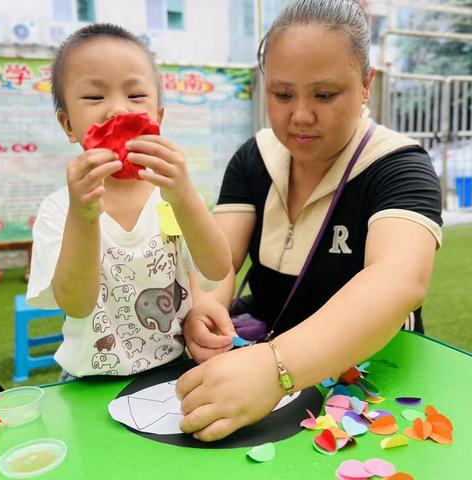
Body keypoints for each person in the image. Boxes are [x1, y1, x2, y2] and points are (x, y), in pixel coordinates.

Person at [176, 0, 442, 441]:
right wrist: (207, 309)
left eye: (324, 94)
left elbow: (398, 279)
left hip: (370, 386)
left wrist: (275, 367)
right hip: (253, 369)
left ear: (365, 85)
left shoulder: (399, 166)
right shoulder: (254, 157)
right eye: (282, 94)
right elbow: (218, 263)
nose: (300, 115)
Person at [26, 23, 231, 378]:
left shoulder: (171, 196)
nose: (117, 110)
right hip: (88, 378)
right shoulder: (60, 210)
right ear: (68, 124)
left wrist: (184, 196)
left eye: (136, 96)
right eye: (94, 97)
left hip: (174, 369)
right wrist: (84, 216)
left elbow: (216, 268)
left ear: (158, 118)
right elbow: (76, 304)